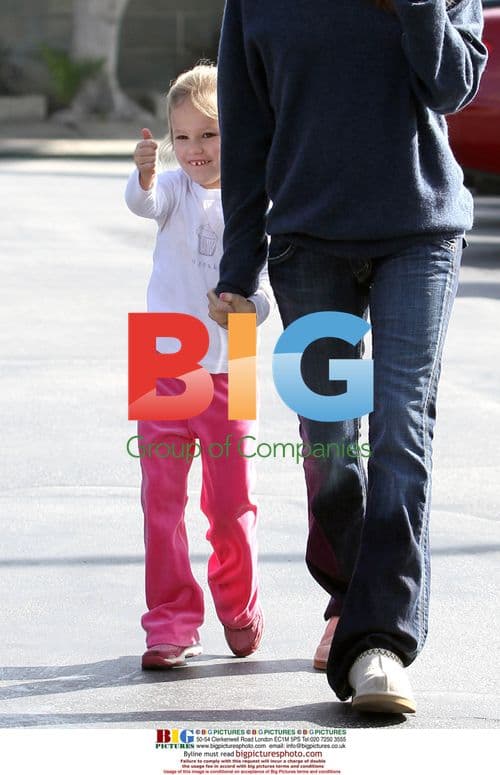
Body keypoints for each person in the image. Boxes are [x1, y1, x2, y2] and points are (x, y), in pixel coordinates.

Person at [211, 0, 487, 712]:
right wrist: (238, 265)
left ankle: (380, 644)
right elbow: (246, 134)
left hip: (417, 232)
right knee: (330, 445)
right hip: (308, 244)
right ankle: (352, 598)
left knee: (400, 423)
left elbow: (454, 86)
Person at [125, 64, 273, 669]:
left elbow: (265, 292)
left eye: (208, 135)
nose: (194, 150)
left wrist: (245, 310)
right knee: (161, 501)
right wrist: (143, 171)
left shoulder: (254, 198)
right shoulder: (173, 191)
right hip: (163, 357)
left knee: (230, 504)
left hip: (230, 362)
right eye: (181, 137)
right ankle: (170, 623)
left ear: (235, 134)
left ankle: (239, 605)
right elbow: (144, 200)